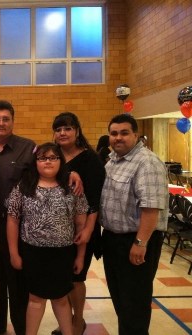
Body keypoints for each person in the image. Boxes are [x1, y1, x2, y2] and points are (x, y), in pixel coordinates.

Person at [7, 142, 88, 335]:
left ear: (61, 160)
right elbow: (12, 220)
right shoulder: (24, 186)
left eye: (53, 157)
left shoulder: (72, 187)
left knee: (61, 299)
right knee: (35, 299)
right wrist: (13, 253)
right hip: (33, 253)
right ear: (35, 162)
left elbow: (80, 225)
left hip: (63, 253)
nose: (48, 162)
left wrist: (80, 256)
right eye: (42, 158)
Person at [100, 113, 168, 335]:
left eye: (124, 133)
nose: (118, 138)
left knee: (134, 306)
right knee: (122, 302)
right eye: (114, 133)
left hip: (135, 240)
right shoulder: (113, 160)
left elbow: (151, 207)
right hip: (113, 240)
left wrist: (140, 242)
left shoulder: (147, 162)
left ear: (136, 135)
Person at [0, 100, 35, 335]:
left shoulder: (28, 147)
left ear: (12, 121)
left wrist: (71, 173)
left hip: (19, 228)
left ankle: (22, 329)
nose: (1, 123)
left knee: (18, 281)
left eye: (5, 119)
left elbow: (46, 171)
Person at [51, 112, 106, 335]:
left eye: (67, 128)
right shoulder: (52, 156)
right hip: (57, 229)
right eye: (58, 129)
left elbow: (95, 201)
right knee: (62, 278)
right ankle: (68, 318)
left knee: (76, 277)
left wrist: (88, 231)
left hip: (82, 229)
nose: (62, 133)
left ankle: (78, 321)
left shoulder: (90, 160)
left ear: (77, 131)